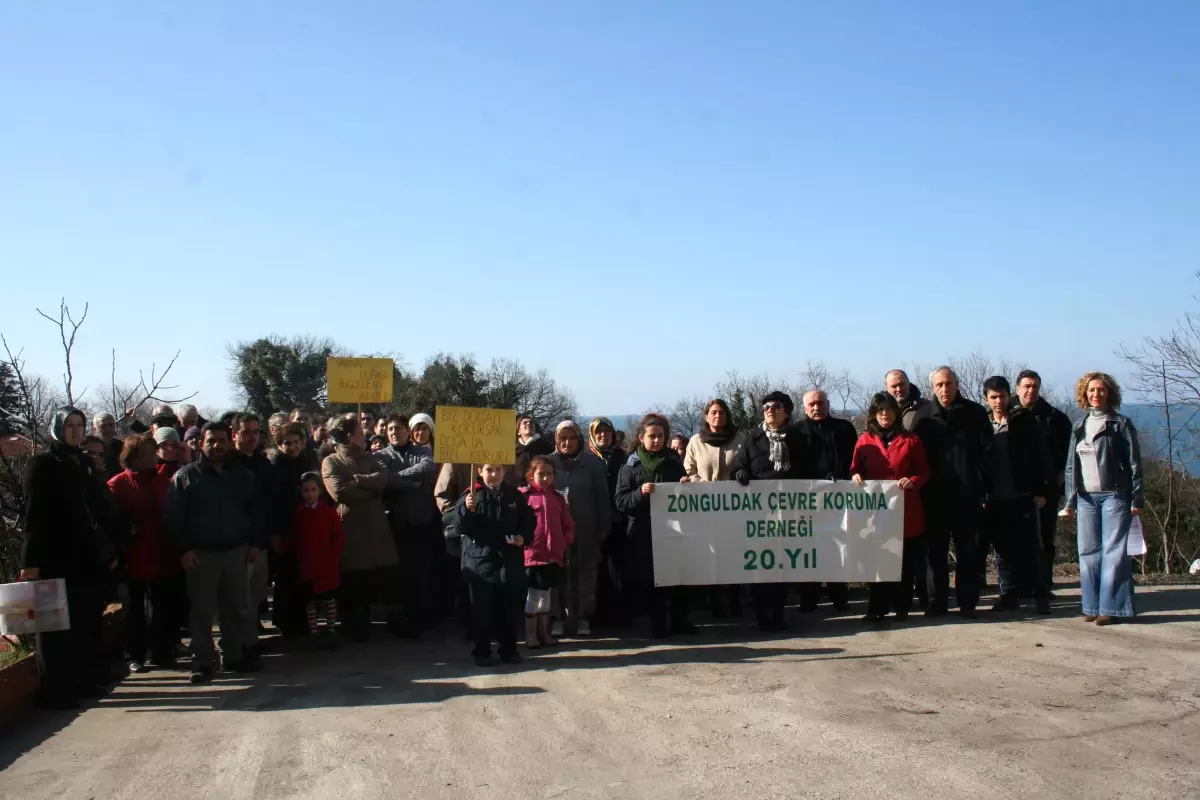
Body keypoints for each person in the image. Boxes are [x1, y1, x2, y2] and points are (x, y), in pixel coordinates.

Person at [20, 406, 119, 708]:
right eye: (69, 425)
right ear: (57, 427)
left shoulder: (84, 463)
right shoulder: (42, 463)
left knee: (86, 619)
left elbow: (99, 507)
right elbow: (33, 515)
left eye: (79, 425)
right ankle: (57, 691)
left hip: (86, 556)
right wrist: (30, 562)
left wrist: (112, 545)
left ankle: (84, 680)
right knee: (54, 628)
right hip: (54, 556)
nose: (75, 430)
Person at [164, 421, 265, 684]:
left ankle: (234, 656)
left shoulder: (243, 477)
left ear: (230, 442)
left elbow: (256, 512)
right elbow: (173, 517)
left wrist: (255, 544)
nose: (217, 445)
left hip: (237, 552)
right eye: (211, 441)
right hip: (201, 555)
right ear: (200, 443)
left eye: (221, 440)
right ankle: (203, 662)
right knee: (202, 612)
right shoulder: (185, 476)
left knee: (235, 608)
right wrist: (183, 550)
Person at [730, 392, 820, 632]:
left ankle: (779, 615)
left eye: (775, 406)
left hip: (792, 515)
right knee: (761, 567)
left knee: (782, 567)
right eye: (766, 406)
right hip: (761, 517)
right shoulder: (753, 439)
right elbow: (739, 465)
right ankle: (761, 615)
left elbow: (812, 469)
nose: (769, 410)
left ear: (786, 411)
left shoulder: (800, 438)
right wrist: (741, 472)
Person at [1063, 372, 1142, 625]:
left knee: (1114, 552)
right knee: (1088, 552)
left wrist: (1136, 498)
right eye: (1091, 390)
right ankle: (1091, 606)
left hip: (1115, 495)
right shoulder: (1079, 426)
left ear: (1109, 393)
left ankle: (1112, 608)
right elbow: (1070, 466)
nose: (1096, 394)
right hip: (1086, 497)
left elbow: (1134, 463)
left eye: (1101, 390)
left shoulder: (1121, 424)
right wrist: (1070, 500)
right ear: (1084, 394)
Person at [850, 393, 930, 622]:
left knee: (903, 564)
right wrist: (855, 476)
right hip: (874, 514)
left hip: (906, 510)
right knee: (877, 561)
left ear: (896, 412)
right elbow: (855, 468)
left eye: (888, 409)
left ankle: (902, 608)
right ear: (874, 414)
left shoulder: (911, 439)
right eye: (880, 410)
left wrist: (912, 481)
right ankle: (876, 608)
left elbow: (923, 471)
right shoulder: (864, 440)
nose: (885, 414)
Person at [321, 415, 402, 640]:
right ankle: (357, 625)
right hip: (352, 530)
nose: (364, 435)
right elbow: (340, 491)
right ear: (350, 436)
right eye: (359, 431)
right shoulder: (331, 461)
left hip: (378, 530)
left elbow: (383, 478)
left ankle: (394, 621)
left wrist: (358, 479)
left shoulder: (371, 457)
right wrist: (370, 487)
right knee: (356, 582)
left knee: (387, 578)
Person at [614, 413, 694, 638]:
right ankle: (658, 623)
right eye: (652, 436)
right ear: (641, 438)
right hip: (642, 533)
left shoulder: (672, 462)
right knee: (652, 580)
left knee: (678, 575)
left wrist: (685, 485)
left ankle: (680, 620)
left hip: (672, 529)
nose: (657, 440)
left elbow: (684, 497)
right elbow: (621, 502)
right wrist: (640, 493)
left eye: (660, 436)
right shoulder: (630, 466)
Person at [923, 367, 993, 619]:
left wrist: (980, 487)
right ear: (933, 387)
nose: (944, 389)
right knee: (935, 556)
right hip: (933, 498)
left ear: (957, 384)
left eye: (948, 383)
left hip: (968, 497)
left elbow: (988, 453)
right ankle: (937, 603)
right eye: (939, 384)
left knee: (968, 554)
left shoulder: (975, 413)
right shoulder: (923, 418)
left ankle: (967, 603)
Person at [107, 434, 180, 672]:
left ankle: (162, 651)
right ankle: (133, 655)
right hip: (133, 558)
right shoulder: (118, 484)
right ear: (134, 456)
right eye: (148, 451)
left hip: (163, 555)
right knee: (134, 610)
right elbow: (110, 522)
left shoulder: (164, 480)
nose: (153, 455)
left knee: (163, 607)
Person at [982, 376, 1053, 615]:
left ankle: (1040, 595)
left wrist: (1042, 490)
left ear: (1009, 396)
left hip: (1022, 495)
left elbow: (1041, 457)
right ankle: (1008, 595)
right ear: (986, 399)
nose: (998, 401)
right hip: (993, 497)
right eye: (993, 397)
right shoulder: (982, 424)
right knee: (1002, 551)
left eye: (1002, 396)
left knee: (1029, 549)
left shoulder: (1024, 421)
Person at [456, 463, 533, 666]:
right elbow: (461, 526)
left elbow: (528, 521)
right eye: (489, 470)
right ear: (480, 471)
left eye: (498, 470)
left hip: (509, 563)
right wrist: (466, 509)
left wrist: (522, 537)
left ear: (504, 471)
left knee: (508, 610)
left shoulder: (514, 495)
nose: (494, 474)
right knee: (482, 611)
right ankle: (482, 651)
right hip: (480, 563)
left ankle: (509, 650)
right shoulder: (472, 494)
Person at [376, 413, 441, 634]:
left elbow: (428, 468)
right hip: (394, 526)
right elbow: (382, 479)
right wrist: (410, 482)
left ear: (407, 431)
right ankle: (398, 620)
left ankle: (422, 618)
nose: (395, 432)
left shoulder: (422, 451)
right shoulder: (380, 456)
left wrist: (396, 478)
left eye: (399, 428)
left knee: (422, 574)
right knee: (397, 575)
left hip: (422, 524)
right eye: (391, 429)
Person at [547, 420, 611, 637]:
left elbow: (602, 496)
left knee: (586, 574)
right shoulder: (548, 463)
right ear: (556, 440)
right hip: (555, 532)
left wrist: (604, 526)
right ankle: (557, 618)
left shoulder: (592, 464)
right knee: (557, 575)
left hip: (586, 529)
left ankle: (584, 617)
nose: (567, 442)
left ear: (579, 439)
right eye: (563, 438)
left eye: (572, 438)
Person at [1011, 370, 1073, 591]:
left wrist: (1057, 486)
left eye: (1035, 386)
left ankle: (1043, 585)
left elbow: (1066, 458)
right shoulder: (1005, 414)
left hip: (1046, 489)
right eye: (1026, 386)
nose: (1031, 390)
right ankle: (1017, 586)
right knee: (1015, 539)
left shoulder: (1055, 419)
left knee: (1043, 539)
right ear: (1017, 388)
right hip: (1012, 489)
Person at [683, 399, 745, 619]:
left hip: (735, 510)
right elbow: (689, 469)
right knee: (711, 555)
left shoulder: (740, 440)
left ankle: (735, 600)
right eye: (713, 412)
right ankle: (715, 603)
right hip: (705, 509)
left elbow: (747, 466)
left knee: (733, 556)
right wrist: (701, 485)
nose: (717, 416)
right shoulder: (695, 442)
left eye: (722, 412)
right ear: (706, 416)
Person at [796, 390, 856, 613]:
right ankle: (808, 600)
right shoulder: (796, 432)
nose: (816, 407)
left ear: (828, 404)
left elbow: (855, 460)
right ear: (804, 408)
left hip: (840, 502)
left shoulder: (844, 429)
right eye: (811, 404)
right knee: (808, 552)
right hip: (807, 503)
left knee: (837, 550)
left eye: (820, 403)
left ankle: (840, 599)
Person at [269, 422, 319, 637]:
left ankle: (302, 622)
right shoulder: (275, 467)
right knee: (285, 578)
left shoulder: (306, 462)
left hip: (304, 526)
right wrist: (275, 534)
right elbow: (271, 503)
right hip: (284, 528)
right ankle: (286, 623)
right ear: (279, 444)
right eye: (287, 443)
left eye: (297, 442)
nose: (293, 446)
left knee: (303, 576)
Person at [520, 456, 575, 648]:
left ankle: (545, 634)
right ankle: (530, 635)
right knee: (533, 596)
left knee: (546, 597)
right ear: (531, 475)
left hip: (553, 557)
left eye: (549, 474)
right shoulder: (524, 496)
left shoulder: (558, 498)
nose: (545, 478)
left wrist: (563, 542)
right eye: (540, 474)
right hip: (532, 556)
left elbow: (568, 525)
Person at [232, 413, 272, 647]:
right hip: (237, 543)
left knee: (256, 595)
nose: (252, 437)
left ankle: (250, 642)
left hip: (260, 542)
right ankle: (239, 646)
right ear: (235, 433)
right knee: (238, 599)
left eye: (256, 431)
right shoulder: (228, 464)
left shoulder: (263, 464)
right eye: (246, 431)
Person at [294, 472, 345, 649]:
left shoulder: (329, 513)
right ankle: (314, 632)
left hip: (327, 563)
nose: (309, 493)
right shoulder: (299, 513)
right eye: (306, 490)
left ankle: (331, 630)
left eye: (313, 489)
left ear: (320, 491)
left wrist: (333, 556)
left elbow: (338, 537)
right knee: (310, 601)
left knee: (329, 600)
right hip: (307, 563)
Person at [589, 417, 631, 626]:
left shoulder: (622, 457)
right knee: (598, 569)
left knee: (620, 568)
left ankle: (622, 613)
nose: (603, 436)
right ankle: (598, 613)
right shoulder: (586, 458)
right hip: (593, 522)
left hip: (619, 520)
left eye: (607, 432)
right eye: (599, 432)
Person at [509, 415, 553, 488]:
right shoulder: (512, 450)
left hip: (539, 491)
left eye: (531, 422)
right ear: (518, 431)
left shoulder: (545, 447)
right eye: (524, 423)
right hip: (515, 493)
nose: (529, 423)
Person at [93, 412, 123, 477]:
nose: (108, 429)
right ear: (95, 430)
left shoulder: (123, 447)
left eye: (111, 425)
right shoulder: (90, 450)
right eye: (103, 426)